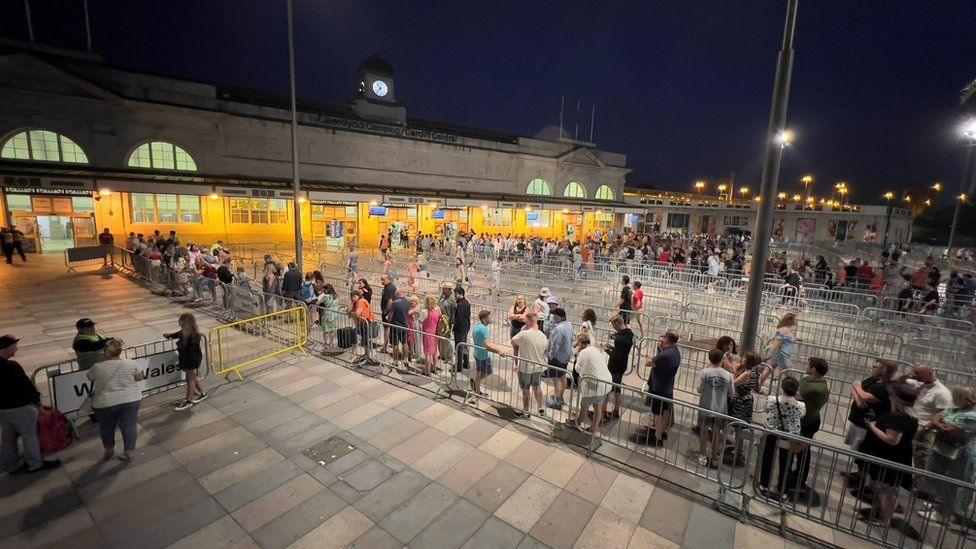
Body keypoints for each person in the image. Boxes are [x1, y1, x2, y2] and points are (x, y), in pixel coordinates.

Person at [856, 383, 918, 527]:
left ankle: (885, 519)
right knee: (884, 487)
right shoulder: (910, 413)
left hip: (890, 456)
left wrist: (872, 426)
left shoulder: (898, 417)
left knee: (886, 489)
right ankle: (885, 510)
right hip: (896, 455)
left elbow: (891, 440)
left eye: (891, 395)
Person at [0, 335, 61, 473]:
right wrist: (37, 402)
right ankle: (34, 463)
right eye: (14, 345)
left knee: (8, 438)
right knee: (30, 436)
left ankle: (12, 465)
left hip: (2, 410)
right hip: (20, 408)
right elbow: (26, 386)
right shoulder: (12, 366)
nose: (16, 348)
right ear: (6, 348)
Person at [917, 386, 976, 525]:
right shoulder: (955, 409)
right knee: (937, 478)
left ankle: (943, 514)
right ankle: (939, 505)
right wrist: (938, 422)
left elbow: (952, 430)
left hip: (958, 454)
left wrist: (936, 424)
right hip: (941, 450)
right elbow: (937, 417)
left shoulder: (972, 415)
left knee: (950, 484)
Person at [87, 339, 145, 461]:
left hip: (105, 403)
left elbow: (90, 377)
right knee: (129, 426)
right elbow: (140, 377)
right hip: (130, 399)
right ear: (120, 351)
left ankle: (109, 449)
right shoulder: (131, 363)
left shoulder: (97, 367)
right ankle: (129, 452)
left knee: (106, 427)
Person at [787, 357, 830, 501]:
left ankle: (800, 476)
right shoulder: (811, 381)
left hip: (806, 422)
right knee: (798, 448)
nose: (805, 366)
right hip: (802, 419)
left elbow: (795, 394)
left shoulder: (815, 388)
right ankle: (797, 473)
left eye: (808, 365)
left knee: (802, 450)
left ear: (814, 369)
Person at [631, 331, 681, 446]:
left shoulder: (665, 355)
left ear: (667, 339)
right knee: (665, 411)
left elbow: (649, 363)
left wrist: (659, 351)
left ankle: (657, 437)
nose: (660, 339)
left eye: (663, 337)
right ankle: (661, 432)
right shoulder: (675, 351)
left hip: (659, 387)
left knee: (658, 413)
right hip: (667, 386)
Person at [759, 376, 806, 497]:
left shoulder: (771, 399)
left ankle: (763, 483)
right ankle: (783, 488)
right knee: (786, 463)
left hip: (772, 432)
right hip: (789, 436)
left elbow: (766, 409)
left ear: (782, 388)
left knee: (767, 458)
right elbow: (801, 415)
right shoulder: (800, 405)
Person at [899, 365, 952, 469]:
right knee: (904, 455)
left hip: (926, 429)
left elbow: (942, 414)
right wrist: (908, 375)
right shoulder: (919, 383)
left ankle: (918, 483)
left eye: (918, 373)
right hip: (912, 425)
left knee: (921, 458)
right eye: (914, 372)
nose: (915, 375)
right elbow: (897, 382)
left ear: (930, 374)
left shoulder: (942, 392)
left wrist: (925, 428)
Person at [726, 351, 765, 467]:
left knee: (739, 426)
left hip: (741, 402)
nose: (741, 359)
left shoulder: (747, 373)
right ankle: (738, 448)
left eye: (744, 358)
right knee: (740, 426)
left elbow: (733, 383)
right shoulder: (754, 371)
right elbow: (757, 386)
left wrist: (733, 372)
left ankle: (737, 450)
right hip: (746, 399)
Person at [696, 348, 734, 467]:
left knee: (704, 431)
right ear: (722, 360)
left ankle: (702, 455)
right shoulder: (728, 375)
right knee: (717, 432)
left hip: (706, 406)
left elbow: (699, 389)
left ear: (710, 359)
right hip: (720, 408)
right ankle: (715, 457)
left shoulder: (705, 372)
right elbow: (731, 393)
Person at [165, 313, 207, 411]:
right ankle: (202, 393)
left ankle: (189, 400)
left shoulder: (192, 335)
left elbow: (188, 348)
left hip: (190, 360)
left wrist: (179, 344)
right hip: (192, 360)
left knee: (190, 380)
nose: (179, 324)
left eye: (181, 322)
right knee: (193, 377)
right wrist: (170, 335)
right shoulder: (189, 332)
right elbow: (178, 333)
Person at [572, 333, 612, 437]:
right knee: (598, 405)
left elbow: (577, 368)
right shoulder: (595, 349)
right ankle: (594, 428)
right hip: (606, 381)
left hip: (594, 384)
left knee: (585, 403)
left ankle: (578, 422)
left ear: (580, 344)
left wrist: (576, 354)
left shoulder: (583, 352)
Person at [511, 311, 548, 418]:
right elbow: (545, 347)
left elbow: (513, 341)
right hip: (537, 366)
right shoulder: (542, 335)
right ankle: (541, 408)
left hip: (525, 367)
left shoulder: (524, 333)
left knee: (525, 389)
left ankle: (526, 411)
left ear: (528, 321)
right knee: (537, 387)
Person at [469, 309, 506, 405]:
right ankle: (476, 386)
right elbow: (487, 345)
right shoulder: (484, 329)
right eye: (490, 317)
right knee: (488, 372)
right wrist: (498, 350)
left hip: (477, 353)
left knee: (479, 371)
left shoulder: (478, 325)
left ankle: (476, 388)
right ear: (485, 319)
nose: (491, 318)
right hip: (483, 355)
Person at [603, 315, 634, 420]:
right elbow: (621, 351)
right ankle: (616, 410)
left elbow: (616, 356)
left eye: (613, 325)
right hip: (622, 365)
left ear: (617, 324)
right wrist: (612, 347)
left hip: (615, 366)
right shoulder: (629, 334)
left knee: (607, 388)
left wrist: (607, 351)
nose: (613, 328)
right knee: (617, 389)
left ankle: (602, 411)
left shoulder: (620, 338)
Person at [544, 308, 573, 410]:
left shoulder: (559, 329)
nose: (554, 318)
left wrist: (550, 356)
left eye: (555, 316)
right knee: (563, 376)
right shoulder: (569, 325)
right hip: (566, 356)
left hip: (557, 358)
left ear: (561, 317)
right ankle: (560, 396)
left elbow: (555, 344)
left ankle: (557, 400)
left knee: (556, 379)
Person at [761, 313, 797, 388]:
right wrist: (770, 354)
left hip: (783, 354)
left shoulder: (787, 329)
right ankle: (791, 390)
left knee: (769, 371)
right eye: (795, 319)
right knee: (788, 374)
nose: (796, 321)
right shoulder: (783, 330)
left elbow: (786, 339)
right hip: (781, 354)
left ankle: (758, 385)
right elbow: (777, 342)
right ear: (790, 320)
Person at [348, 289, 374, 363]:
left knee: (357, 335)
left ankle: (362, 354)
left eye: (354, 296)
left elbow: (357, 314)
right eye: (352, 297)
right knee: (364, 339)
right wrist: (352, 303)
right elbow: (348, 311)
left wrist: (353, 314)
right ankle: (365, 354)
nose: (353, 298)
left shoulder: (361, 301)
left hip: (366, 323)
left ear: (358, 296)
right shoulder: (355, 303)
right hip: (362, 323)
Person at [389, 289, 412, 367]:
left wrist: (388, 321)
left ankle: (395, 361)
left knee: (395, 344)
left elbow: (391, 315)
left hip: (395, 326)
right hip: (405, 325)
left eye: (396, 295)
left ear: (398, 294)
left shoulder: (395, 303)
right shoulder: (409, 302)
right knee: (405, 343)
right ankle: (406, 359)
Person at [419, 295, 442, 374]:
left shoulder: (424, 311)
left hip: (427, 334)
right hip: (436, 333)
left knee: (427, 353)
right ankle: (434, 368)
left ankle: (427, 370)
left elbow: (421, 320)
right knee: (435, 351)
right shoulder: (438, 309)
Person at [453, 287, 472, 373]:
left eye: (456, 294)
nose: (454, 295)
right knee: (464, 346)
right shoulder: (465, 303)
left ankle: (459, 366)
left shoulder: (461, 305)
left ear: (461, 294)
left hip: (460, 329)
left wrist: (453, 328)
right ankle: (466, 363)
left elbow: (458, 319)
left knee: (459, 347)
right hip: (465, 327)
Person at [437, 282, 456, 364]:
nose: (443, 290)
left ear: (449, 290)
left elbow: (453, 313)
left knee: (446, 339)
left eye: (444, 289)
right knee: (440, 338)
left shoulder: (452, 299)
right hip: (440, 320)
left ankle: (448, 356)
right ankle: (442, 354)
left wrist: (451, 324)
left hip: (447, 321)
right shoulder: (442, 297)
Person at [317, 284, 341, 348]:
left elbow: (317, 303)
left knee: (326, 330)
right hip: (335, 314)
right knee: (333, 330)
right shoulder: (336, 296)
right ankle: (331, 342)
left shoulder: (325, 297)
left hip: (327, 314)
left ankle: (326, 343)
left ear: (327, 289)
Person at [380, 274, 397, 354]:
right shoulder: (387, 287)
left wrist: (386, 311)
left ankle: (385, 347)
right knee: (386, 329)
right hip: (387, 312)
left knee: (387, 329)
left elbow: (390, 301)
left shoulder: (390, 288)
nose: (381, 281)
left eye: (383, 279)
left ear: (388, 279)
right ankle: (385, 346)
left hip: (388, 312)